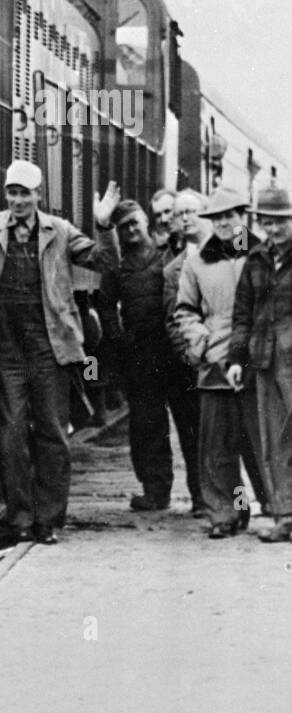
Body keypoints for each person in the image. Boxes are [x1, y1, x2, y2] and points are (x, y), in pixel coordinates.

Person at [0, 158, 118, 544]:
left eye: (25, 193)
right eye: (13, 192)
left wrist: (104, 225)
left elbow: (105, 262)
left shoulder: (59, 232)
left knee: (53, 434)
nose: (19, 200)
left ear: (39, 195)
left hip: (48, 347)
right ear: (5, 194)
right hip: (6, 347)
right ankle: (20, 518)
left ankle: (48, 521)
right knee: (9, 435)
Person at [100, 199, 199, 511]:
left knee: (191, 425)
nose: (130, 230)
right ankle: (156, 493)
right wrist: (119, 338)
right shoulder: (117, 266)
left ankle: (202, 495)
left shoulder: (167, 253)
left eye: (134, 223)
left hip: (174, 353)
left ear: (145, 221)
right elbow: (105, 305)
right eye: (124, 226)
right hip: (140, 357)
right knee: (147, 427)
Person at [174, 188, 262, 538]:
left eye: (230, 215)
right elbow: (185, 310)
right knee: (217, 447)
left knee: (260, 444)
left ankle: (276, 509)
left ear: (243, 215)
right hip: (215, 365)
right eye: (217, 217)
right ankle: (225, 513)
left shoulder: (261, 256)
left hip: (257, 364)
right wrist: (204, 342)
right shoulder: (197, 263)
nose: (224, 223)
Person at [227, 185, 292, 542]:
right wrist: (237, 358)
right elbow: (243, 314)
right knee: (274, 442)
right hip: (266, 360)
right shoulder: (255, 259)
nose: (274, 228)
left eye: (281, 221)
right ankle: (285, 516)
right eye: (267, 222)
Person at [162, 189, 216, 516]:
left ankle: (257, 500)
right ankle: (201, 498)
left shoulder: (231, 254)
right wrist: (190, 355)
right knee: (192, 432)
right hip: (189, 365)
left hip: (226, 360)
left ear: (205, 212)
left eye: (191, 211)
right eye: (179, 213)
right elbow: (171, 318)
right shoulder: (172, 270)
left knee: (234, 436)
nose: (185, 218)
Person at [149, 188, 184, 255]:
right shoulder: (164, 250)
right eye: (158, 215)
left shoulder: (193, 243)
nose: (163, 220)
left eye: (167, 211)